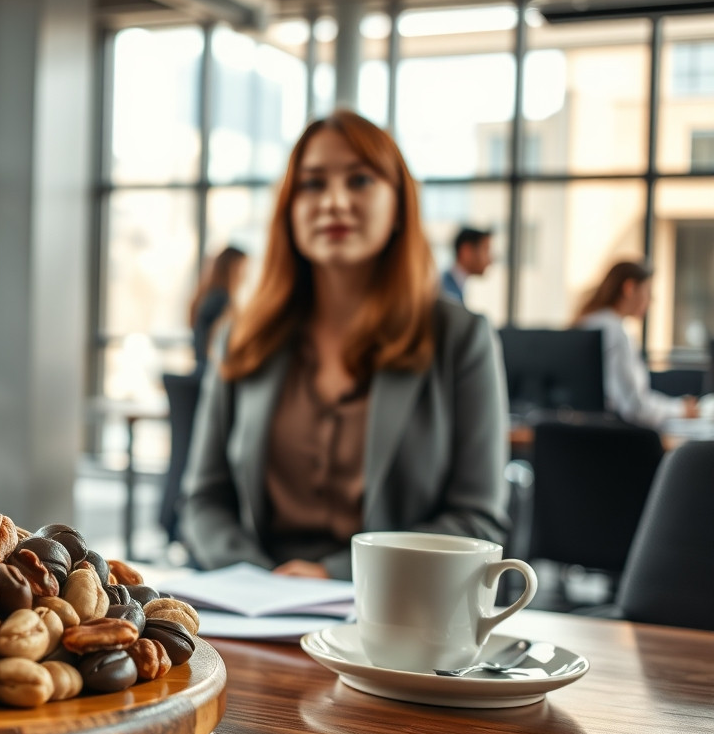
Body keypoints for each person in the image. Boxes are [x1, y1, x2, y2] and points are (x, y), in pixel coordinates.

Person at [180, 110, 509, 580]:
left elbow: (477, 519)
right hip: (253, 606)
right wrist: (260, 582)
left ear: (399, 205)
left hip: (397, 617)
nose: (333, 202)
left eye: (359, 180)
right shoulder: (244, 337)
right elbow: (203, 500)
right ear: (289, 209)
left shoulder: (461, 338)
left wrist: (332, 576)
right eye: (312, 185)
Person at [573, 260, 698, 427]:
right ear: (629, 288)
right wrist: (680, 409)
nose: (651, 301)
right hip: (616, 438)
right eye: (648, 292)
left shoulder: (587, 322)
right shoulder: (615, 332)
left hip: (586, 434)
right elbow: (635, 408)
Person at [189, 246, 248, 375]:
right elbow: (220, 346)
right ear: (233, 268)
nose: (246, 275)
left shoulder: (208, 296)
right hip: (211, 374)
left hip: (203, 370)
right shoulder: (221, 300)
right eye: (244, 267)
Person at [440, 226, 492, 304]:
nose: (490, 261)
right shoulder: (445, 293)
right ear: (466, 251)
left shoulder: (455, 286)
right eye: (486, 250)